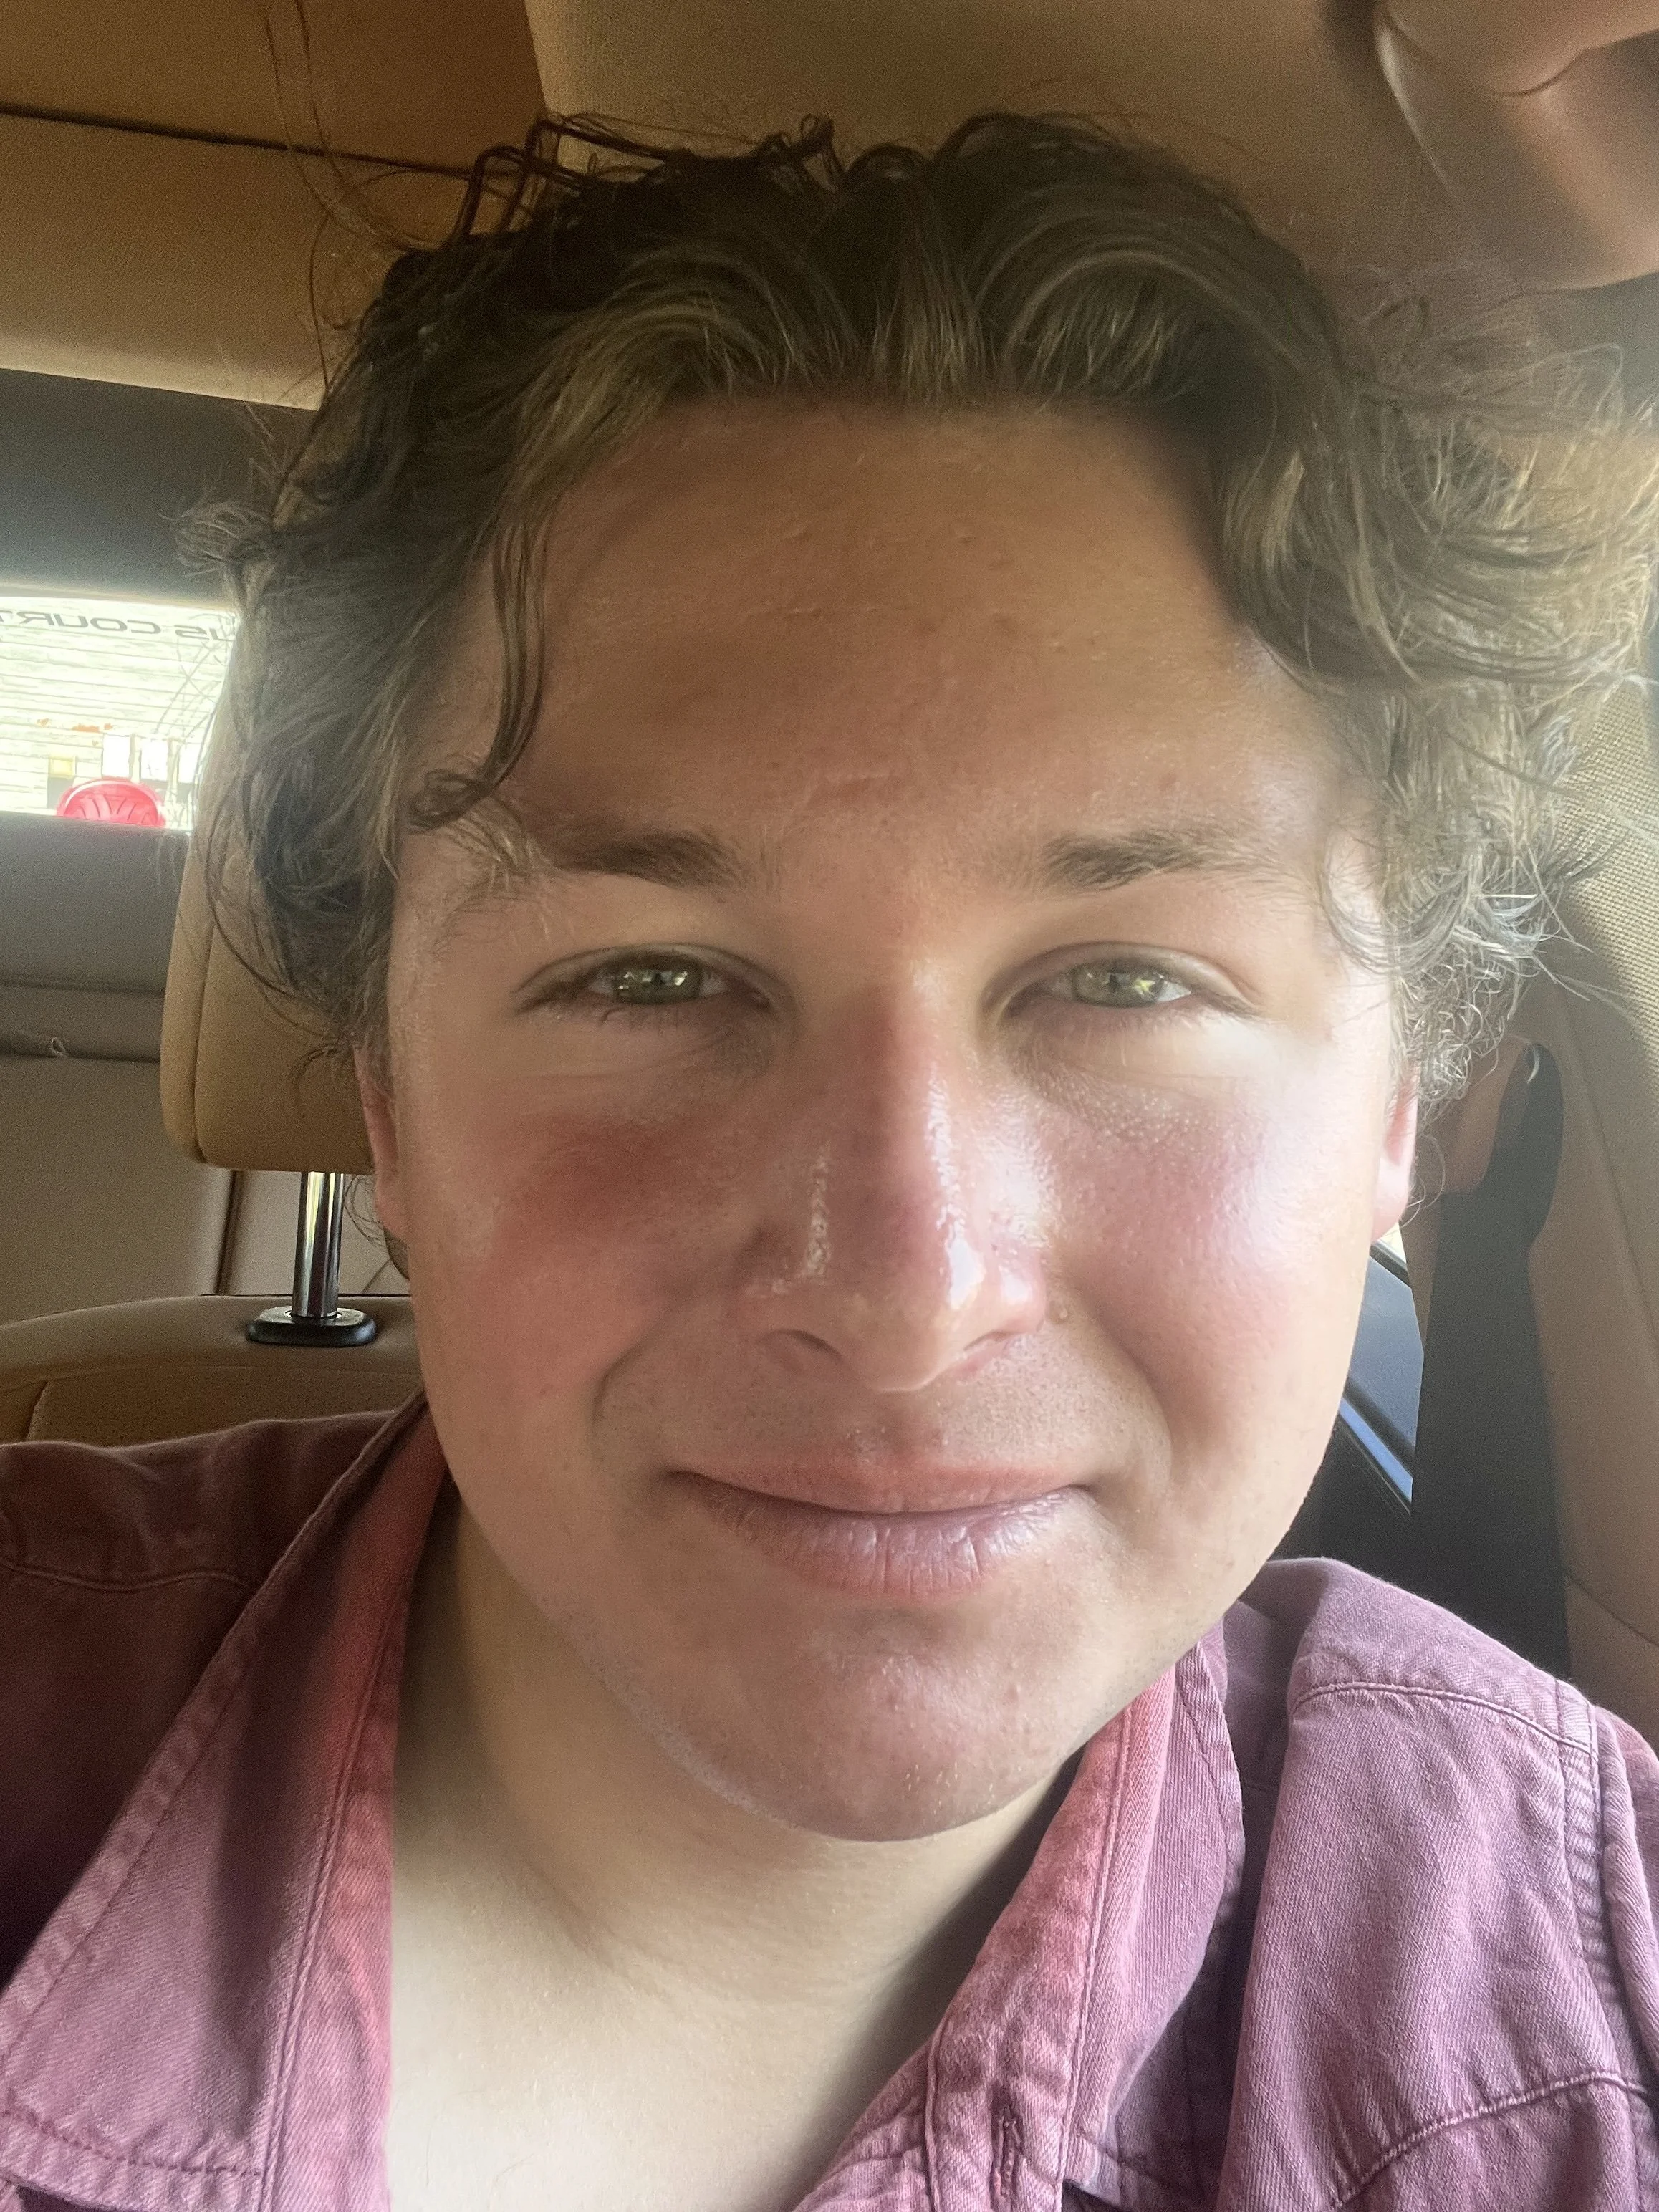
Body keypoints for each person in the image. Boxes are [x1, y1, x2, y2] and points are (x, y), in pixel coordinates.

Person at [3, 115, 1658, 2212]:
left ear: (1398, 1114)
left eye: (1127, 981)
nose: (902, 1289)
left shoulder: (1584, 2010)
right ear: (386, 1098)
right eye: (648, 980)